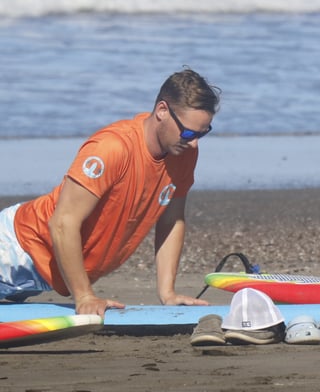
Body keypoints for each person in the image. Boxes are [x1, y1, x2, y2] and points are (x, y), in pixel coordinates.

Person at [0, 69, 220, 316]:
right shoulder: (113, 147)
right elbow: (63, 222)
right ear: (162, 111)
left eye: (203, 133)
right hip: (16, 248)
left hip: (43, 275)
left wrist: (167, 293)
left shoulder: (184, 153)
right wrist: (84, 297)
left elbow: (172, 220)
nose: (194, 143)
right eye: (189, 133)